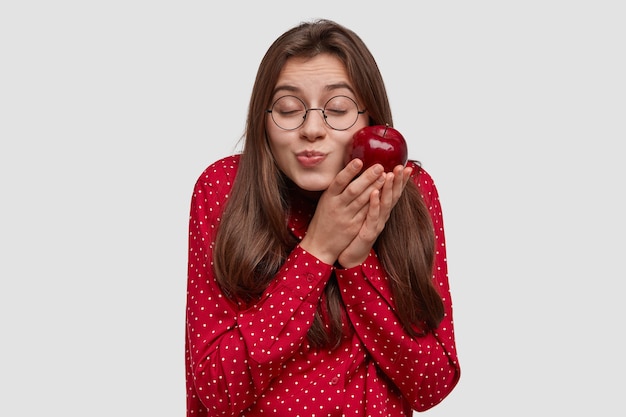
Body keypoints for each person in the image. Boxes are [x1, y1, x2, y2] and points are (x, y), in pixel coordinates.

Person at [185, 18, 460, 416]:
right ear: (263, 120)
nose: (312, 129)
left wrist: (356, 260)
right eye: (288, 109)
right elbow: (216, 391)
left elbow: (431, 385)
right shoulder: (223, 189)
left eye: (338, 109)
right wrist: (318, 248)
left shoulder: (408, 191)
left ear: (371, 121)